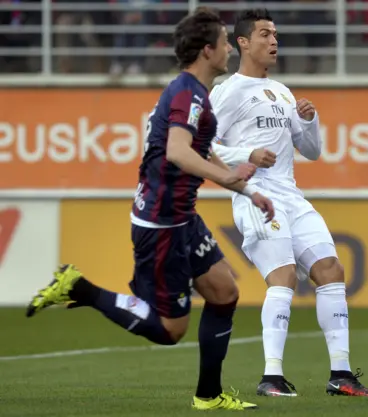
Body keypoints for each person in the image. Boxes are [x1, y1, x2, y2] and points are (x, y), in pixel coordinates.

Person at [25, 7, 275, 411]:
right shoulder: (187, 94)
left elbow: (198, 146)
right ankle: (80, 288)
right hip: (161, 224)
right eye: (226, 42)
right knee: (169, 330)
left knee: (225, 290)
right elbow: (178, 151)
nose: (230, 47)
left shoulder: (193, 93)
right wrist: (228, 180)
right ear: (208, 50)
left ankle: (208, 396)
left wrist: (244, 187)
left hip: (182, 216)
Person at [207, 8, 368, 398]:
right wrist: (247, 154)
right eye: (265, 34)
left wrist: (309, 119)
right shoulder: (228, 91)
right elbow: (203, 145)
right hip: (256, 195)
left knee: (331, 270)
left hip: (291, 194)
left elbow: (313, 151)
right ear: (243, 42)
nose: (273, 41)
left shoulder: (282, 91)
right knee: (282, 278)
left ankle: (341, 374)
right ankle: (271, 377)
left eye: (276, 35)